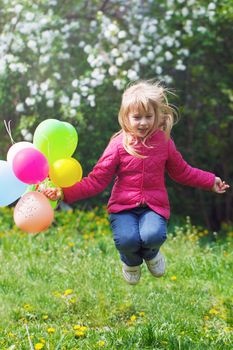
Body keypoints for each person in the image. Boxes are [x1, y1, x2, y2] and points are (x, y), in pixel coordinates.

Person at [43, 81, 229, 285]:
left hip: (154, 206)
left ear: (157, 116)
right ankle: (130, 262)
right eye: (137, 117)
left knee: (153, 236)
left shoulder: (164, 142)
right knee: (127, 240)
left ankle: (151, 255)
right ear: (126, 117)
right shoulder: (118, 145)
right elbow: (96, 180)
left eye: (148, 116)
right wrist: (64, 192)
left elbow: (182, 171)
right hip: (123, 207)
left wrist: (211, 181)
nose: (143, 123)